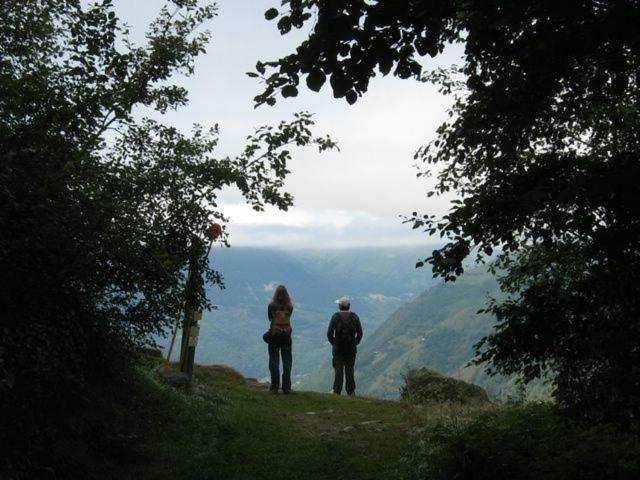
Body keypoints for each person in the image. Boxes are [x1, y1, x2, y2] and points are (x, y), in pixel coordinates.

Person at [327, 296, 363, 396]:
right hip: (351, 349)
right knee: (349, 370)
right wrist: (355, 343)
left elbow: (329, 333)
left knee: (338, 370)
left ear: (339, 306)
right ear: (349, 306)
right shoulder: (354, 317)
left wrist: (334, 343)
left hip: (338, 349)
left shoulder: (335, 317)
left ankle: (336, 391)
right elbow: (360, 333)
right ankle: (351, 391)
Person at [266, 285, 294, 393]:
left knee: (274, 361)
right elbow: (288, 317)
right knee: (287, 362)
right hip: (286, 335)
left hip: (274, 335)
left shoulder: (271, 305)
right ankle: (286, 387)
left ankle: (274, 386)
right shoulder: (290, 307)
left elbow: (269, 318)